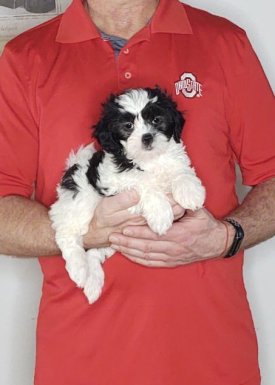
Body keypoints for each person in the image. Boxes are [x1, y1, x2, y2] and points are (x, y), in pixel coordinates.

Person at [0, 0, 274, 384]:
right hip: (80, 359)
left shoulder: (225, 42)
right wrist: (82, 229)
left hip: (211, 357)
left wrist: (228, 236)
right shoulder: (25, 57)